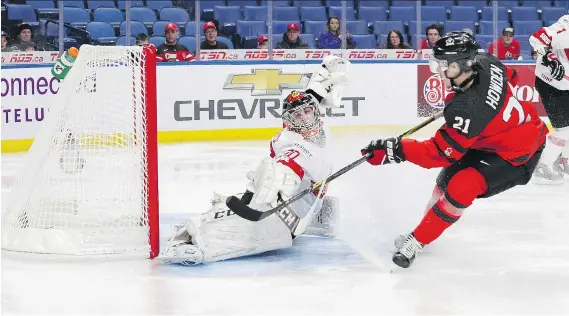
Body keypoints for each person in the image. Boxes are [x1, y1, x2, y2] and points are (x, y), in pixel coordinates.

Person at [361, 32, 548, 268]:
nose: (439, 70)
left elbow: (437, 154)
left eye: (443, 65)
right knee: (445, 181)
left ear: (462, 65)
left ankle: (417, 242)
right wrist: (473, 98)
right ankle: (422, 232)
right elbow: (511, 76)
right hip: (489, 139)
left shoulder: (467, 109)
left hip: (518, 154)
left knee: (462, 186)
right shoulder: (485, 60)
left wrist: (395, 150)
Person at [158, 56, 353, 265]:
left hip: (304, 212)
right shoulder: (289, 143)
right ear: (289, 121)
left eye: (308, 111)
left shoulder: (317, 121)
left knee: (265, 182)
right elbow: (284, 168)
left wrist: (328, 69)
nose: (305, 117)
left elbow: (315, 92)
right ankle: (203, 238)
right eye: (298, 116)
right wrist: (258, 196)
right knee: (269, 175)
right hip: (292, 212)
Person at [529, 15, 569, 183]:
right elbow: (537, 38)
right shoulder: (566, 30)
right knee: (565, 130)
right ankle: (543, 165)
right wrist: (548, 58)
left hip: (564, 85)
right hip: (551, 85)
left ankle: (564, 161)